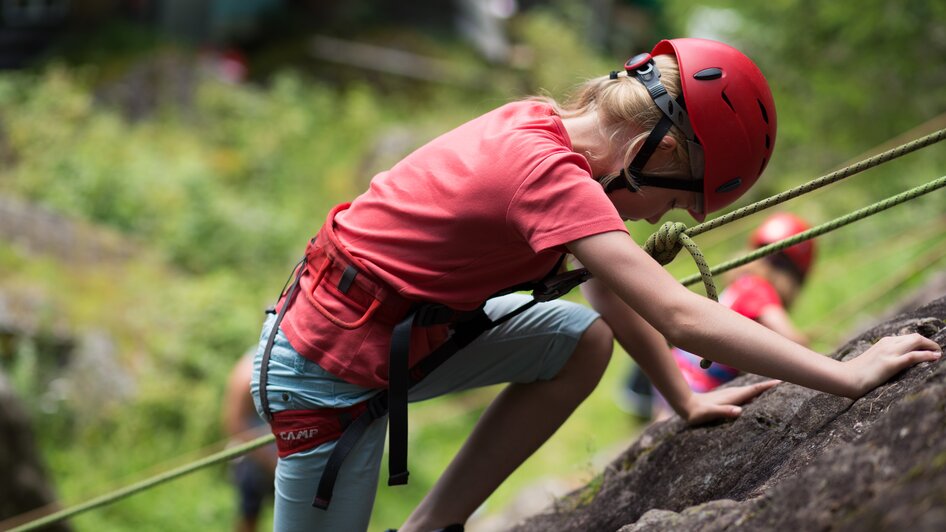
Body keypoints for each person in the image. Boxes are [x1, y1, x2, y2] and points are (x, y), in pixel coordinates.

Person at [249, 38, 941, 532]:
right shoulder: (550, 176)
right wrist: (847, 377)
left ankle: (435, 523)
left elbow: (609, 294)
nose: (660, 217)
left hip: (384, 338)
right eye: (674, 201)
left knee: (581, 340)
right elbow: (680, 316)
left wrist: (682, 400)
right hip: (326, 377)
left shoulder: (542, 125)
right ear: (658, 150)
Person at [621, 212, 817, 420]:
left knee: (664, 427)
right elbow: (790, 338)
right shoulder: (759, 289)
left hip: (678, 368)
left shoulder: (743, 282)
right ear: (796, 275)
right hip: (700, 381)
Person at [223, 350, 277, 532]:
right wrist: (270, 460)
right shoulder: (249, 369)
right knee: (250, 515)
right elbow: (234, 423)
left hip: (286, 456)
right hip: (253, 459)